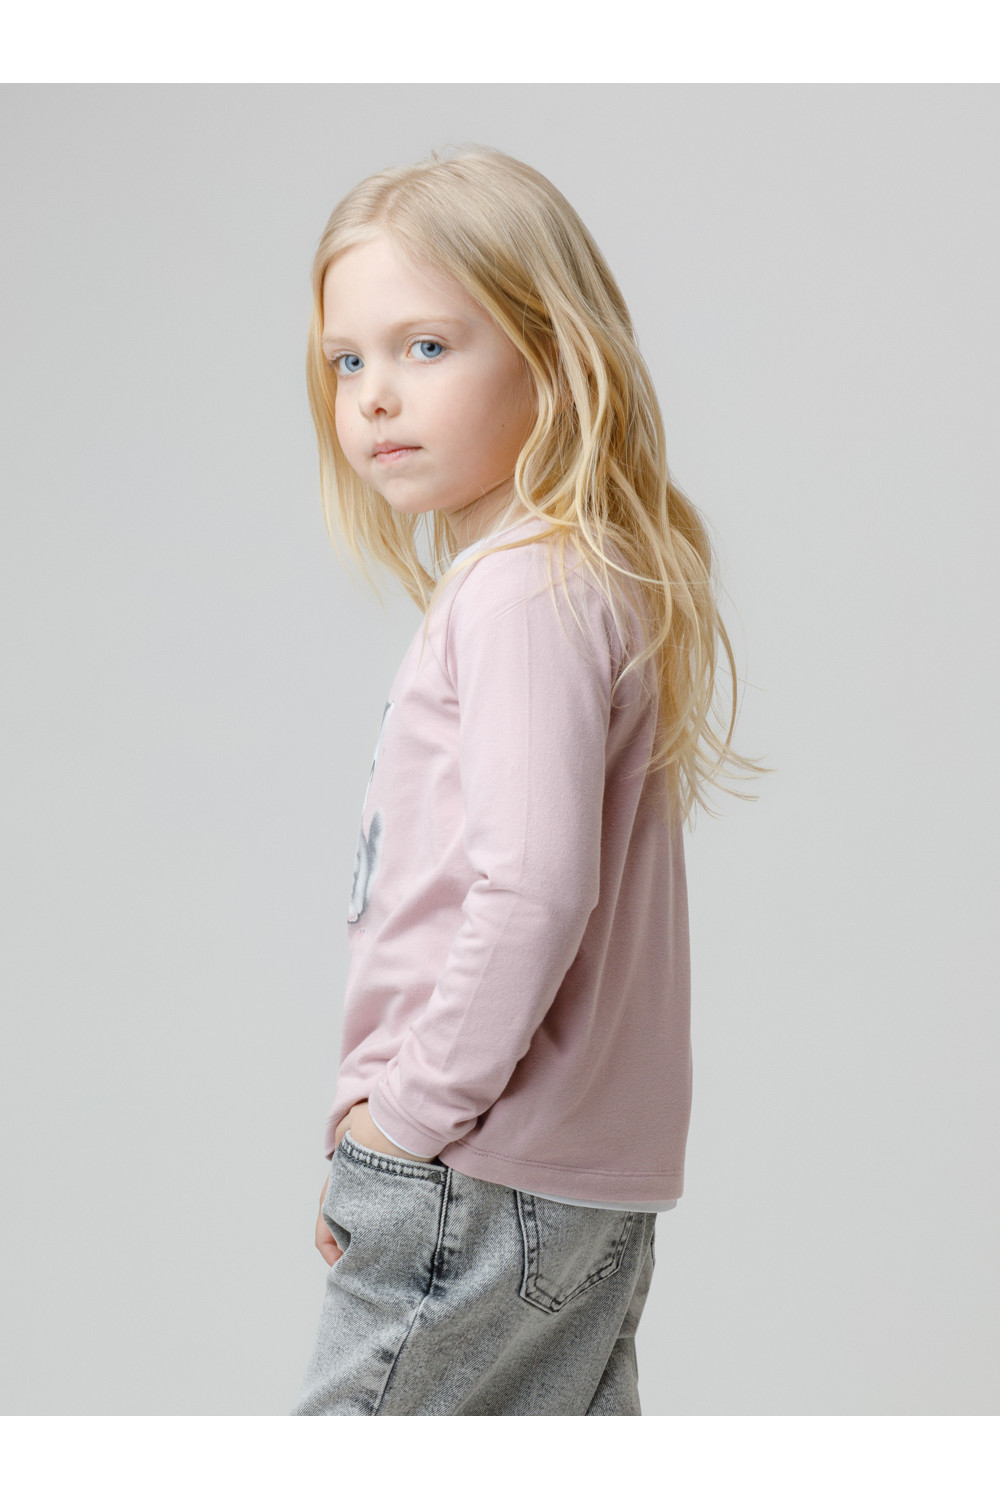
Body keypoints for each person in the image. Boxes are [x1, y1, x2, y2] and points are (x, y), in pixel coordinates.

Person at [290, 146, 764, 1417]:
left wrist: (402, 1121)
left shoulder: (519, 590)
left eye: (426, 347)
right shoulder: (574, 574)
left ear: (553, 355)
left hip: (479, 1162)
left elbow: (534, 891)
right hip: (574, 1181)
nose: (377, 397)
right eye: (348, 361)